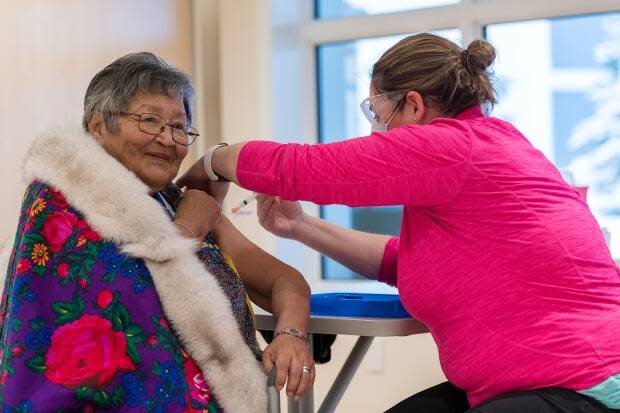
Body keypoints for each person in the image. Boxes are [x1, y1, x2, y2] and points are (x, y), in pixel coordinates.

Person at [178, 33, 620, 412]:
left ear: (412, 105)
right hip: (540, 379)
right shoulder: (489, 148)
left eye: (375, 112)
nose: (374, 132)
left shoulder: (450, 147)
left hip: (578, 382)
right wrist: (301, 227)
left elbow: (302, 168)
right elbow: (403, 261)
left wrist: (214, 160)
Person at [0, 52, 314, 412]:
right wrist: (187, 231)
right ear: (97, 125)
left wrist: (290, 335)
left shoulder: (173, 200)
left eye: (179, 127)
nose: (168, 139)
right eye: (150, 121)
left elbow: (286, 282)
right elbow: (121, 310)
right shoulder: (60, 199)